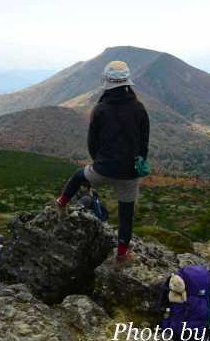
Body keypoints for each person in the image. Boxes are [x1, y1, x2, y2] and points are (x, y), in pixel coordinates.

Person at [55, 60, 150, 266]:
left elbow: (92, 143)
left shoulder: (100, 109)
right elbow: (144, 144)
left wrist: (99, 162)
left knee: (78, 176)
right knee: (126, 214)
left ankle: (62, 202)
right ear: (127, 82)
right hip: (129, 172)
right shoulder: (139, 108)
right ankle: (122, 254)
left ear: (106, 83)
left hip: (103, 168)